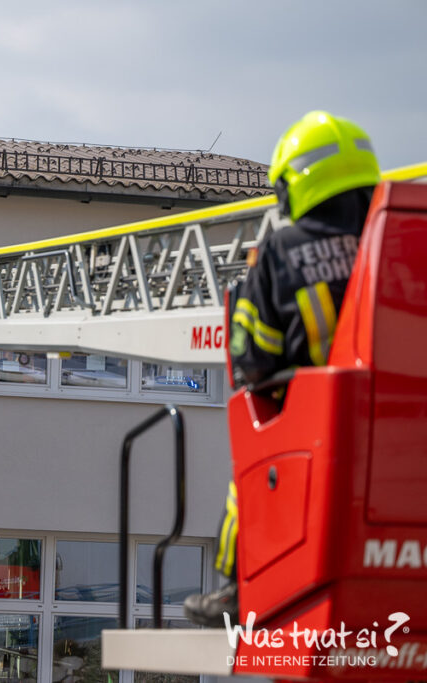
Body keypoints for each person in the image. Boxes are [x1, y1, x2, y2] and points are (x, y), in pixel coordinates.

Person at [183, 111, 381, 627]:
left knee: (251, 473)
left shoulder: (280, 251)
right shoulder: (402, 239)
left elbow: (253, 357)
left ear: (297, 183)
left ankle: (237, 589)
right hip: (403, 421)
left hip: (317, 420)